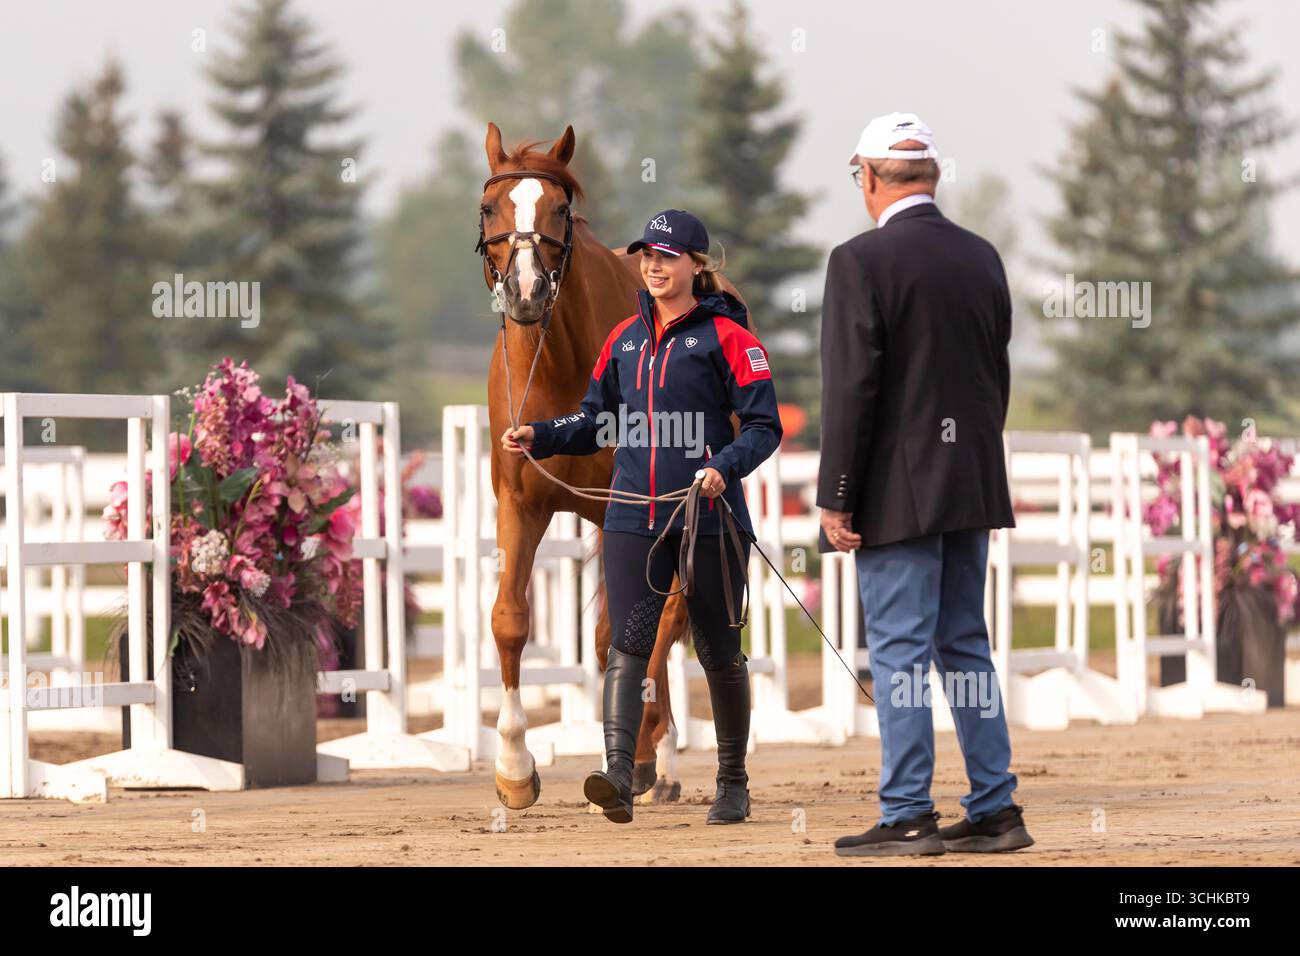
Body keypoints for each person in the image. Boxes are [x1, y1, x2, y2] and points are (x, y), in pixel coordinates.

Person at [502, 208, 782, 825]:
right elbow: (595, 419)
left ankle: (732, 781)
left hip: (706, 516)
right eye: (647, 256)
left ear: (696, 266)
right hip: (632, 515)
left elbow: (765, 427)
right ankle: (620, 773)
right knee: (625, 648)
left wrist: (725, 466)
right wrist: (542, 435)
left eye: (668, 256)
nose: (653, 266)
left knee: (718, 651)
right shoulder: (623, 339)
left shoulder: (732, 340)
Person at [817, 113, 1033, 857]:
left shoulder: (859, 261)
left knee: (901, 653)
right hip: (969, 483)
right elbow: (992, 378)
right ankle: (996, 807)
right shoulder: (983, 257)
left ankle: (908, 809)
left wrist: (837, 491)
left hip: (898, 493)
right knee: (965, 645)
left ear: (871, 179)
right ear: (932, 177)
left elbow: (852, 389)